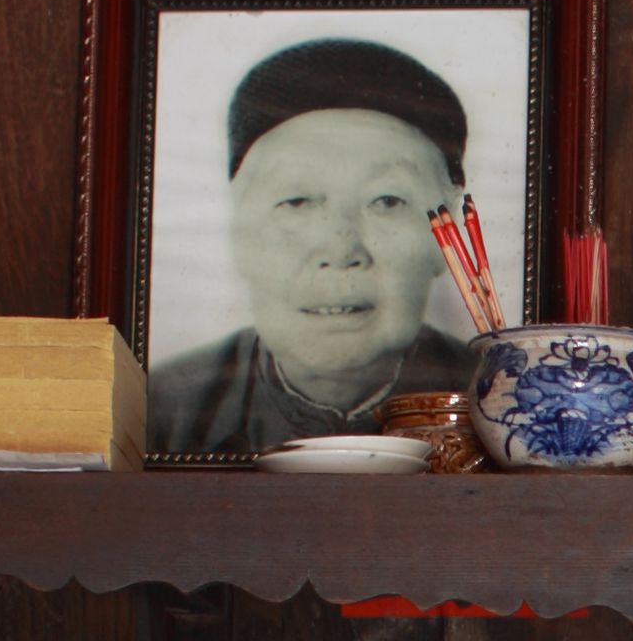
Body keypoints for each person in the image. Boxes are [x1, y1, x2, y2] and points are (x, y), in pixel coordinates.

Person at [146, 35, 491, 455]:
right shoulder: (160, 411)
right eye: (296, 201)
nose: (341, 251)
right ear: (238, 232)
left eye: (386, 201)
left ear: (445, 238)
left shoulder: (502, 402)